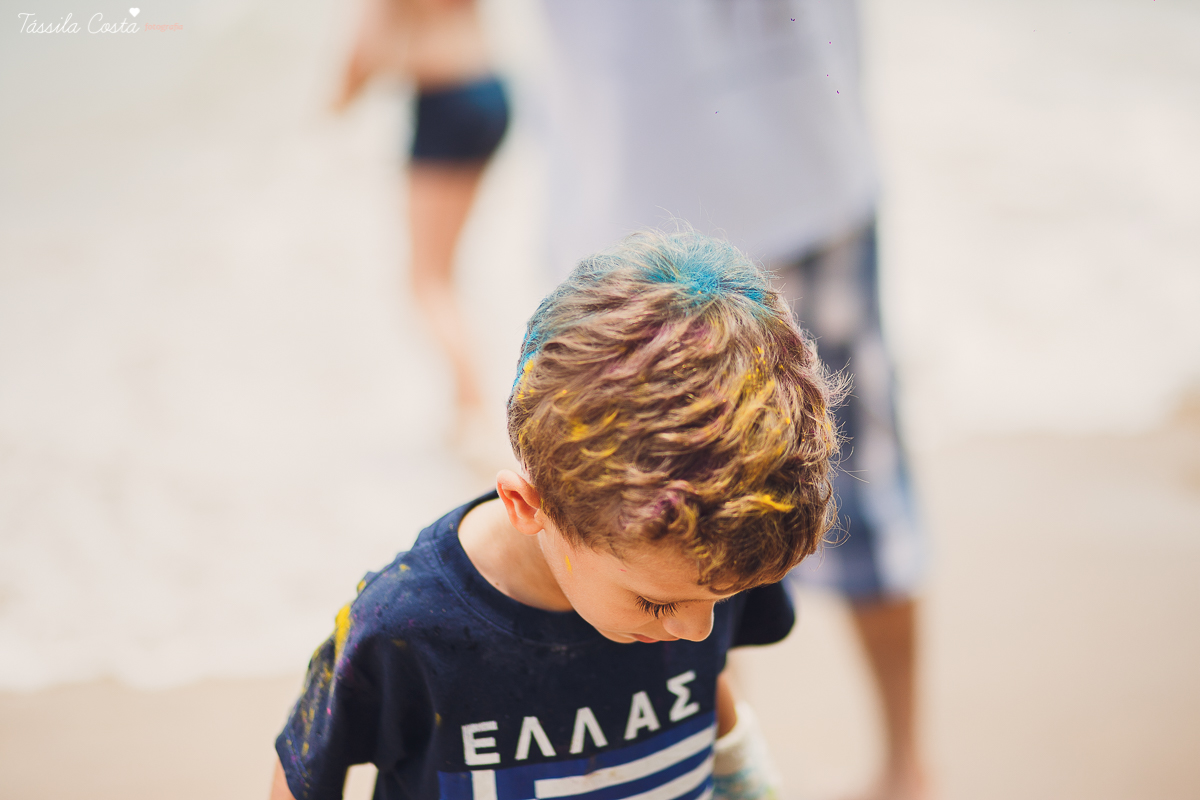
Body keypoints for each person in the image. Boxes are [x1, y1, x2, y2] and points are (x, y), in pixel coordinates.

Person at [269, 231, 843, 800]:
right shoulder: (405, 631)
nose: (699, 631)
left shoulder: (714, 555)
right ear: (529, 505)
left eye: (723, 600)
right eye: (656, 605)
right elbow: (305, 774)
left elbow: (705, 677)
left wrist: (746, 781)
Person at [535, 3, 927, 798]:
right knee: (671, 547)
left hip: (784, 191)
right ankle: (737, 771)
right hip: (672, 215)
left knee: (846, 503)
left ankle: (903, 768)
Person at [335, 0, 509, 448]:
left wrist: (334, 106)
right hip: (491, 90)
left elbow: (364, 52)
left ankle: (477, 414)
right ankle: (466, 406)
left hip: (443, 103)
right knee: (447, 274)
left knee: (427, 280)